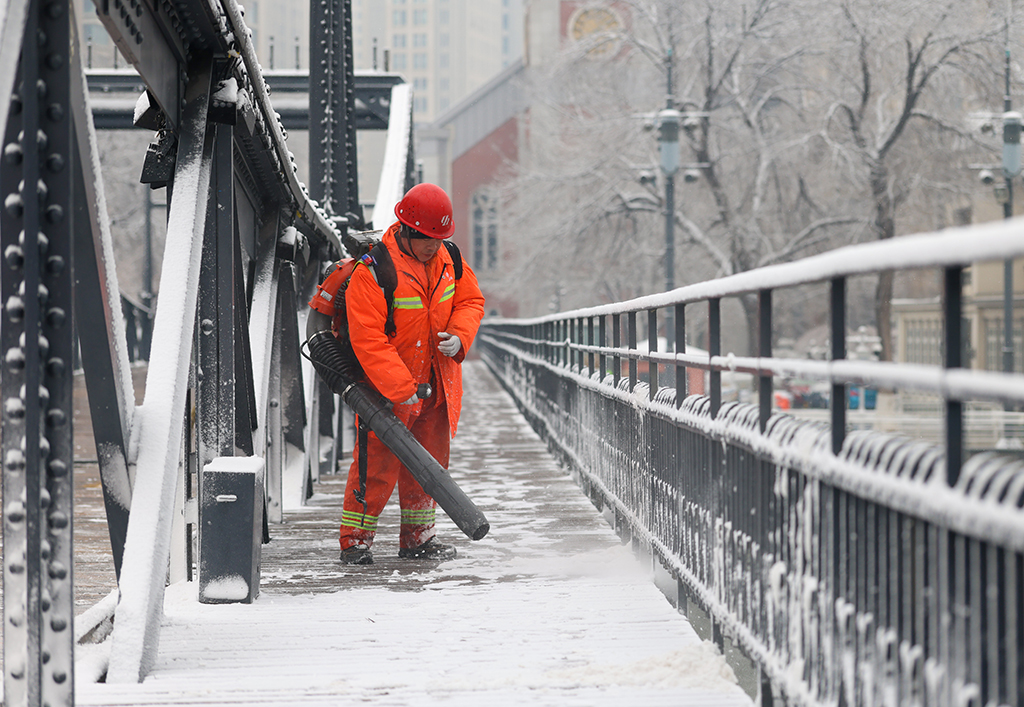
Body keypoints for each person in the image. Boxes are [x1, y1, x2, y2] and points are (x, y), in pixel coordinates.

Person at [306, 183, 485, 565]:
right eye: (427, 239)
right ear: (407, 229)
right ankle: (355, 541)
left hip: (436, 385)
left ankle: (418, 538)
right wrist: (400, 388)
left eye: (440, 239)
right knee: (376, 468)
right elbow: (369, 339)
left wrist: (460, 335)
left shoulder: (449, 260)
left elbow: (470, 300)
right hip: (387, 390)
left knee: (429, 464)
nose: (434, 247)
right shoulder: (376, 271)